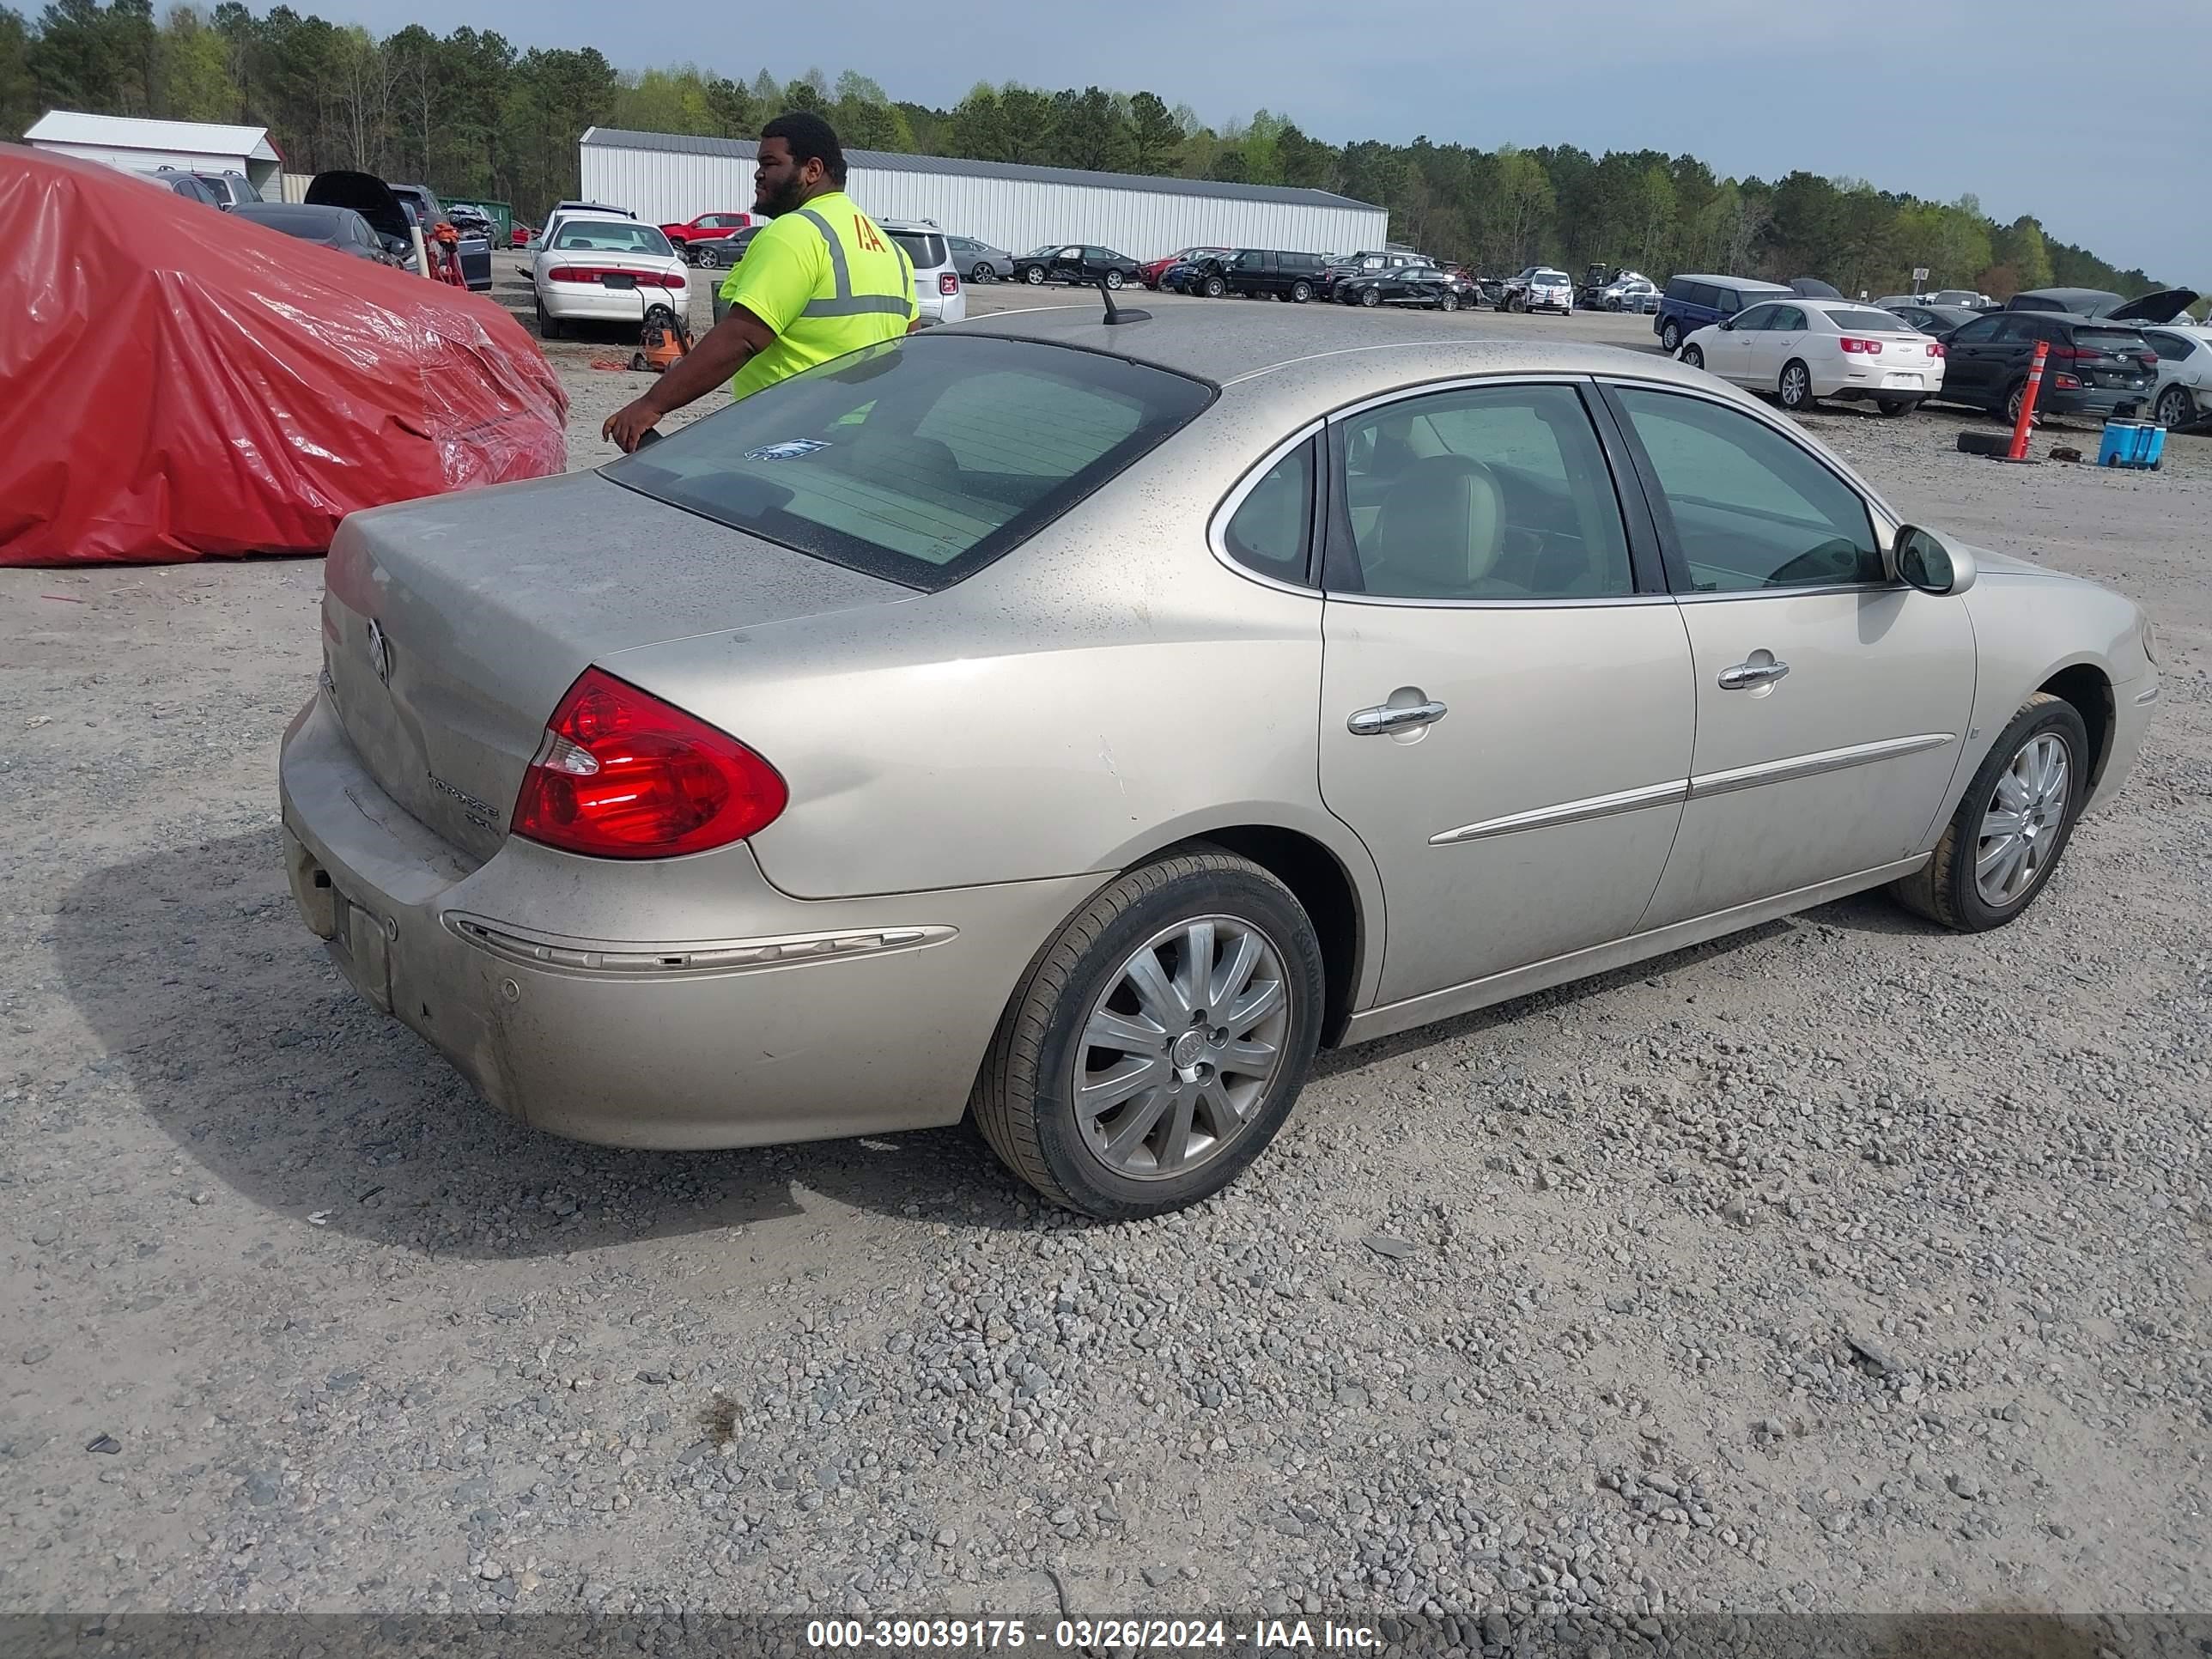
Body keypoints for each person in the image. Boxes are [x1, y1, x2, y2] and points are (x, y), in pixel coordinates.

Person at [601, 111, 919, 453]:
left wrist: (652, 404)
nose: (758, 173)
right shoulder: (891, 250)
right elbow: (911, 348)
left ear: (813, 170)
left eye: (770, 163)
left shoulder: (797, 232)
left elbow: (743, 337)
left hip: (787, 438)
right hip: (855, 444)